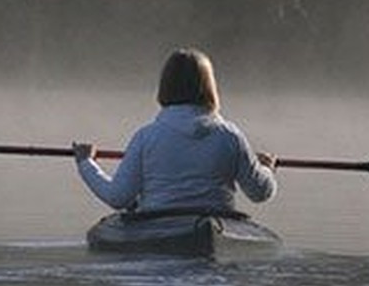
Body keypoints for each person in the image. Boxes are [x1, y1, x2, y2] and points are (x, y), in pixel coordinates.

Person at [72, 48, 276, 215]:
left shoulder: (147, 137)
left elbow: (118, 197)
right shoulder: (231, 137)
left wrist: (86, 162)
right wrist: (266, 168)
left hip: (157, 224)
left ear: (165, 86)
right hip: (216, 220)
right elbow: (260, 193)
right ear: (210, 88)